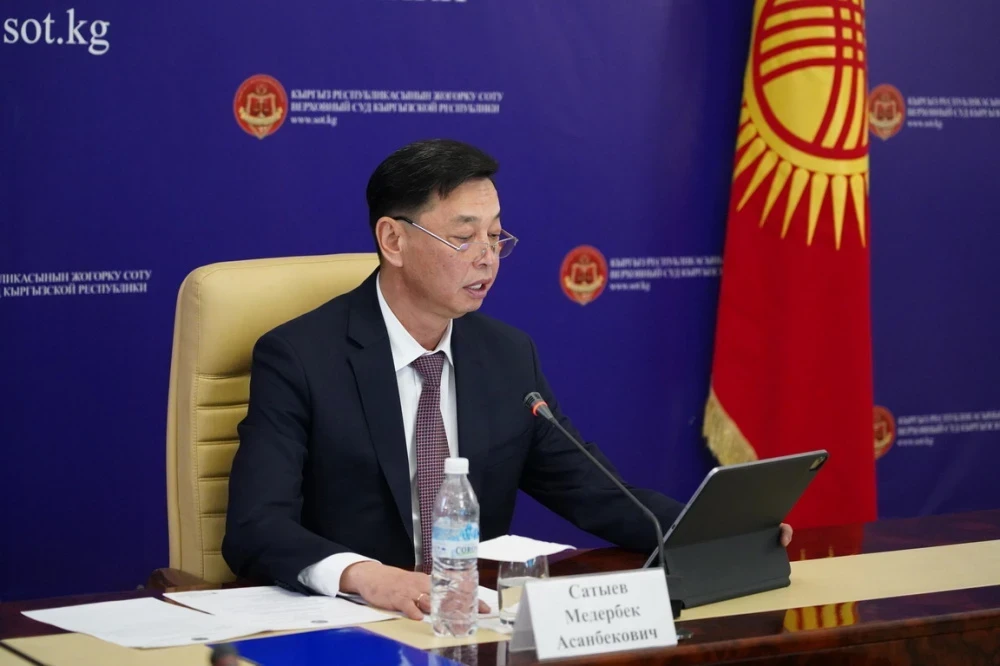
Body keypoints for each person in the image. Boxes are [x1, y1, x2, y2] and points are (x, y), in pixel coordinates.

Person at [222, 139, 792, 619]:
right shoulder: (300, 358)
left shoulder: (506, 356)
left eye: (495, 236)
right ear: (393, 240)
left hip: (470, 626)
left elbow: (594, 492)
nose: (487, 258)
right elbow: (255, 526)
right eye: (463, 237)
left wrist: (714, 530)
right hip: (350, 625)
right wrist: (370, 578)